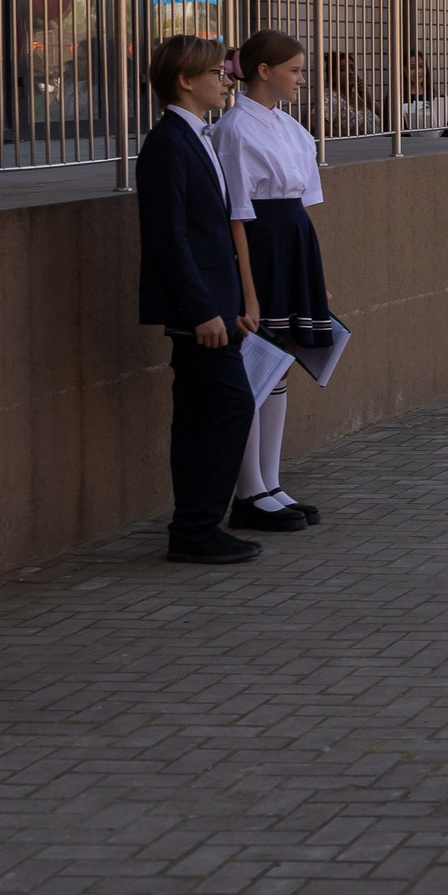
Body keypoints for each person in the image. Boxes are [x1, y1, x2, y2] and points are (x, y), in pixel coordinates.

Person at [136, 35, 261, 565]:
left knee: (196, 415)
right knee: (230, 406)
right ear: (186, 81)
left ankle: (192, 528)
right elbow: (170, 240)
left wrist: (232, 302)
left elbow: (211, 234)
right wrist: (202, 312)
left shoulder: (198, 137)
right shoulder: (168, 142)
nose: (226, 79)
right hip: (199, 313)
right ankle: (197, 527)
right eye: (216, 71)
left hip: (215, 305)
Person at [211, 30, 333, 533]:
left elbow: (305, 201)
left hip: (291, 243)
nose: (301, 80)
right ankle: (248, 491)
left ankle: (270, 480)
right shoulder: (236, 128)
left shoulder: (292, 127)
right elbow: (236, 212)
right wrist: (250, 289)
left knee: (280, 362)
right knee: (255, 366)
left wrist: (315, 278)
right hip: (259, 246)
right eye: (295, 70)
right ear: (263, 70)